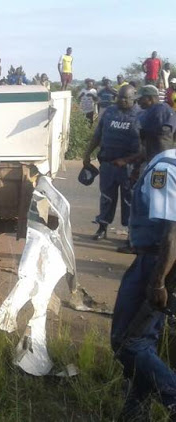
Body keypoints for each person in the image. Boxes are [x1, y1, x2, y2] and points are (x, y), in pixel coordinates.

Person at [109, 84, 176, 421]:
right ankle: (133, 414)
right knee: (142, 343)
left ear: (146, 133)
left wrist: (159, 281)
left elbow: (172, 230)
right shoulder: (166, 162)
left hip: (156, 263)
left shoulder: (164, 168)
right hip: (154, 261)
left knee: (128, 342)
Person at [82, 84, 141, 242]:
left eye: (125, 98)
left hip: (130, 167)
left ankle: (131, 233)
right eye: (119, 97)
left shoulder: (141, 115)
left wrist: (132, 162)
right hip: (108, 164)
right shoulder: (110, 112)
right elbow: (97, 135)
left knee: (129, 199)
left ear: (133, 98)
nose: (121, 101)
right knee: (106, 197)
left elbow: (145, 146)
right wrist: (87, 154)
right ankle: (102, 227)